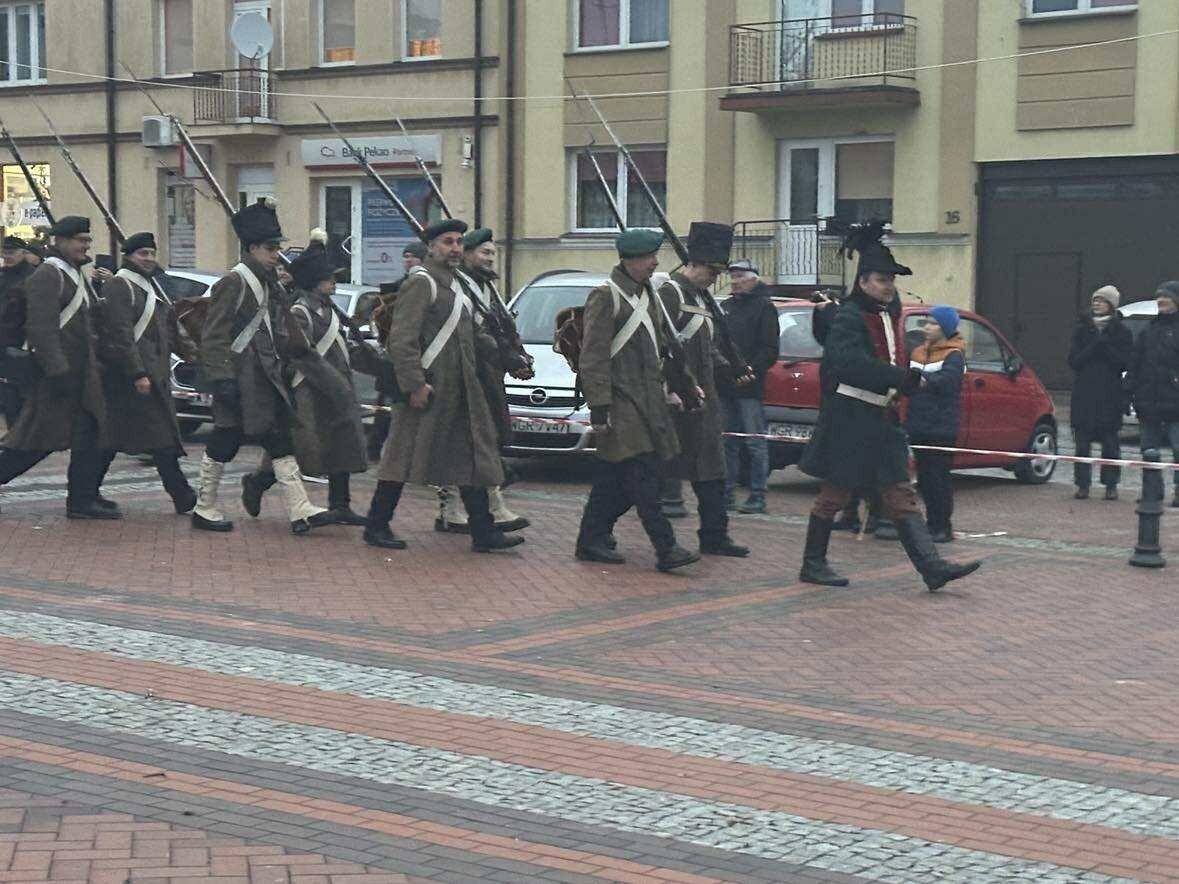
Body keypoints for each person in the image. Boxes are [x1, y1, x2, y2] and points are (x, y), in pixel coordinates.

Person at [797, 222, 980, 591]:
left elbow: (890, 308)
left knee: (899, 493)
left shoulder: (884, 312)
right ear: (863, 281)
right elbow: (849, 364)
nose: (889, 286)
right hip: (850, 418)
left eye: (891, 280)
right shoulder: (850, 317)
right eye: (881, 279)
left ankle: (931, 567)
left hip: (882, 418)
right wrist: (899, 377)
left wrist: (873, 244)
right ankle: (812, 564)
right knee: (834, 494)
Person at [363, 218, 524, 553]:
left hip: (461, 386)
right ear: (431, 248)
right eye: (447, 242)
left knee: (469, 459)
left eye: (458, 242)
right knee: (401, 456)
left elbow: (469, 335)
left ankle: (483, 532)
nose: (455, 248)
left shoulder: (457, 285)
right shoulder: (422, 283)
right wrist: (414, 385)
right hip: (430, 387)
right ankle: (376, 525)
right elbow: (402, 339)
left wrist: (506, 356)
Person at [191, 199, 330, 535]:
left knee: (279, 439)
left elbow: (274, 331)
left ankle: (300, 508)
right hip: (240, 377)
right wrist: (222, 379)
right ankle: (204, 506)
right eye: (270, 248)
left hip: (264, 378)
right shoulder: (235, 281)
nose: (275, 254)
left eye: (276, 248)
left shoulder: (268, 283)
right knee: (226, 440)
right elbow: (214, 335)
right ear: (252, 248)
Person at [573, 228, 701, 572]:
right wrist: (599, 407)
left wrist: (686, 386)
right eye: (648, 257)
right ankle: (666, 547)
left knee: (615, 481)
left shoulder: (650, 296)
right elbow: (593, 356)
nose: (654, 263)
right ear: (629, 260)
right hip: (621, 401)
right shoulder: (607, 296)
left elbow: (665, 350)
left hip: (649, 402)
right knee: (644, 479)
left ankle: (590, 539)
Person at [240, 232, 369, 526]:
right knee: (302, 448)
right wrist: (336, 383)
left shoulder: (329, 310)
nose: (334, 283)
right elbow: (299, 353)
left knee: (341, 444)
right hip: (307, 390)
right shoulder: (300, 312)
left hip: (334, 389)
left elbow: (342, 348)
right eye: (328, 279)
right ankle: (258, 482)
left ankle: (341, 505)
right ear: (313, 281)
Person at [0, 216, 115, 518]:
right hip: (59, 376)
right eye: (80, 239)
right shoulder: (48, 275)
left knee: (90, 435)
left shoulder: (75, 274)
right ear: (60, 241)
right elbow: (41, 328)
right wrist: (57, 370)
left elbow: (88, 318)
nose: (86, 245)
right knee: (34, 442)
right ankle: (81, 500)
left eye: (88, 240)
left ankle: (83, 499)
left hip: (82, 373)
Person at [656, 222, 750, 558]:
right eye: (711, 270)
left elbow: (704, 343)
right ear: (693, 264)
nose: (715, 278)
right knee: (652, 474)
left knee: (711, 468)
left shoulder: (700, 297)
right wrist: (674, 387)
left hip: (703, 397)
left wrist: (727, 368)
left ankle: (714, 534)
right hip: (677, 398)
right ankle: (601, 529)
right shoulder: (671, 293)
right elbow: (662, 344)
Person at [439, 226, 533, 534]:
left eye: (493, 253)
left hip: (488, 375)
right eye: (485, 253)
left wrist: (519, 355)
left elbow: (503, 326)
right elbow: (476, 334)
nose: (491, 259)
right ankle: (481, 509)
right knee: (472, 443)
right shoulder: (460, 286)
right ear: (467, 255)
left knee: (481, 442)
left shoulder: (487, 288)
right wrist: (507, 357)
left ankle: (464, 510)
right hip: (466, 372)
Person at [97, 231, 198, 515]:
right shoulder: (120, 285)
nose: (149, 259)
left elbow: (162, 331)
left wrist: (190, 352)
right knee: (156, 436)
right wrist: (137, 372)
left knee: (123, 437)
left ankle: (86, 491)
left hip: (153, 373)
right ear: (129, 256)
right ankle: (182, 493)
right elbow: (121, 333)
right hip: (133, 376)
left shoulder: (149, 286)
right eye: (143, 254)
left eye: (152, 254)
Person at [719, 259, 780, 514]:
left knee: (755, 442)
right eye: (732, 277)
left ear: (753, 278)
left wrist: (750, 372)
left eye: (740, 276)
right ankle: (727, 493)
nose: (734, 281)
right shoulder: (725, 307)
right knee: (727, 442)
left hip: (750, 387)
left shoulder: (765, 307)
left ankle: (758, 495)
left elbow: (769, 349)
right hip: (725, 384)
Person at [906, 305, 966, 543]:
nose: (927, 327)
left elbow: (948, 382)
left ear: (945, 328)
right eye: (926, 323)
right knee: (925, 479)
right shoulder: (918, 352)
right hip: (918, 423)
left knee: (938, 478)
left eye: (933, 323)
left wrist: (923, 381)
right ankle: (931, 524)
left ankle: (942, 525)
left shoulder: (954, 354)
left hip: (941, 425)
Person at [365, 241, 428, 462]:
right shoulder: (395, 288)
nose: (408, 260)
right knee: (386, 409)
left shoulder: (426, 285)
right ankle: (374, 448)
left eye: (413, 257)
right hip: (395, 356)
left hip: (414, 356)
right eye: (406, 256)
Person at [1069, 285, 1133, 501]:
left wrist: (1105, 346)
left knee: (1110, 445)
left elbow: (1124, 362)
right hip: (1084, 395)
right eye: (1095, 300)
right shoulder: (1082, 329)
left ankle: (1111, 485)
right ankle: (1082, 485)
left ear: (1111, 305)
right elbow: (1074, 361)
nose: (1096, 304)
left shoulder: (1121, 331)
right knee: (1082, 445)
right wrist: (1094, 345)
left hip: (1109, 396)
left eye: (1102, 301)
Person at [1126, 281, 1179, 508]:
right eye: (1159, 298)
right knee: (1149, 452)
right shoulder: (1148, 331)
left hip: (1176, 403)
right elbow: (1134, 364)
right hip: (1149, 403)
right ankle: (1152, 493)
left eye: (1165, 298)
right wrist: (1129, 391)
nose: (1161, 302)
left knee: (1178, 452)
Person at [0, 236, 43, 425]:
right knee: (8, 396)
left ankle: (19, 438)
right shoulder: (3, 276)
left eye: (11, 253)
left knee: (20, 396)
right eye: (4, 253)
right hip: (4, 343)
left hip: (20, 344)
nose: (7, 256)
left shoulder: (33, 277)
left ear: (23, 253)